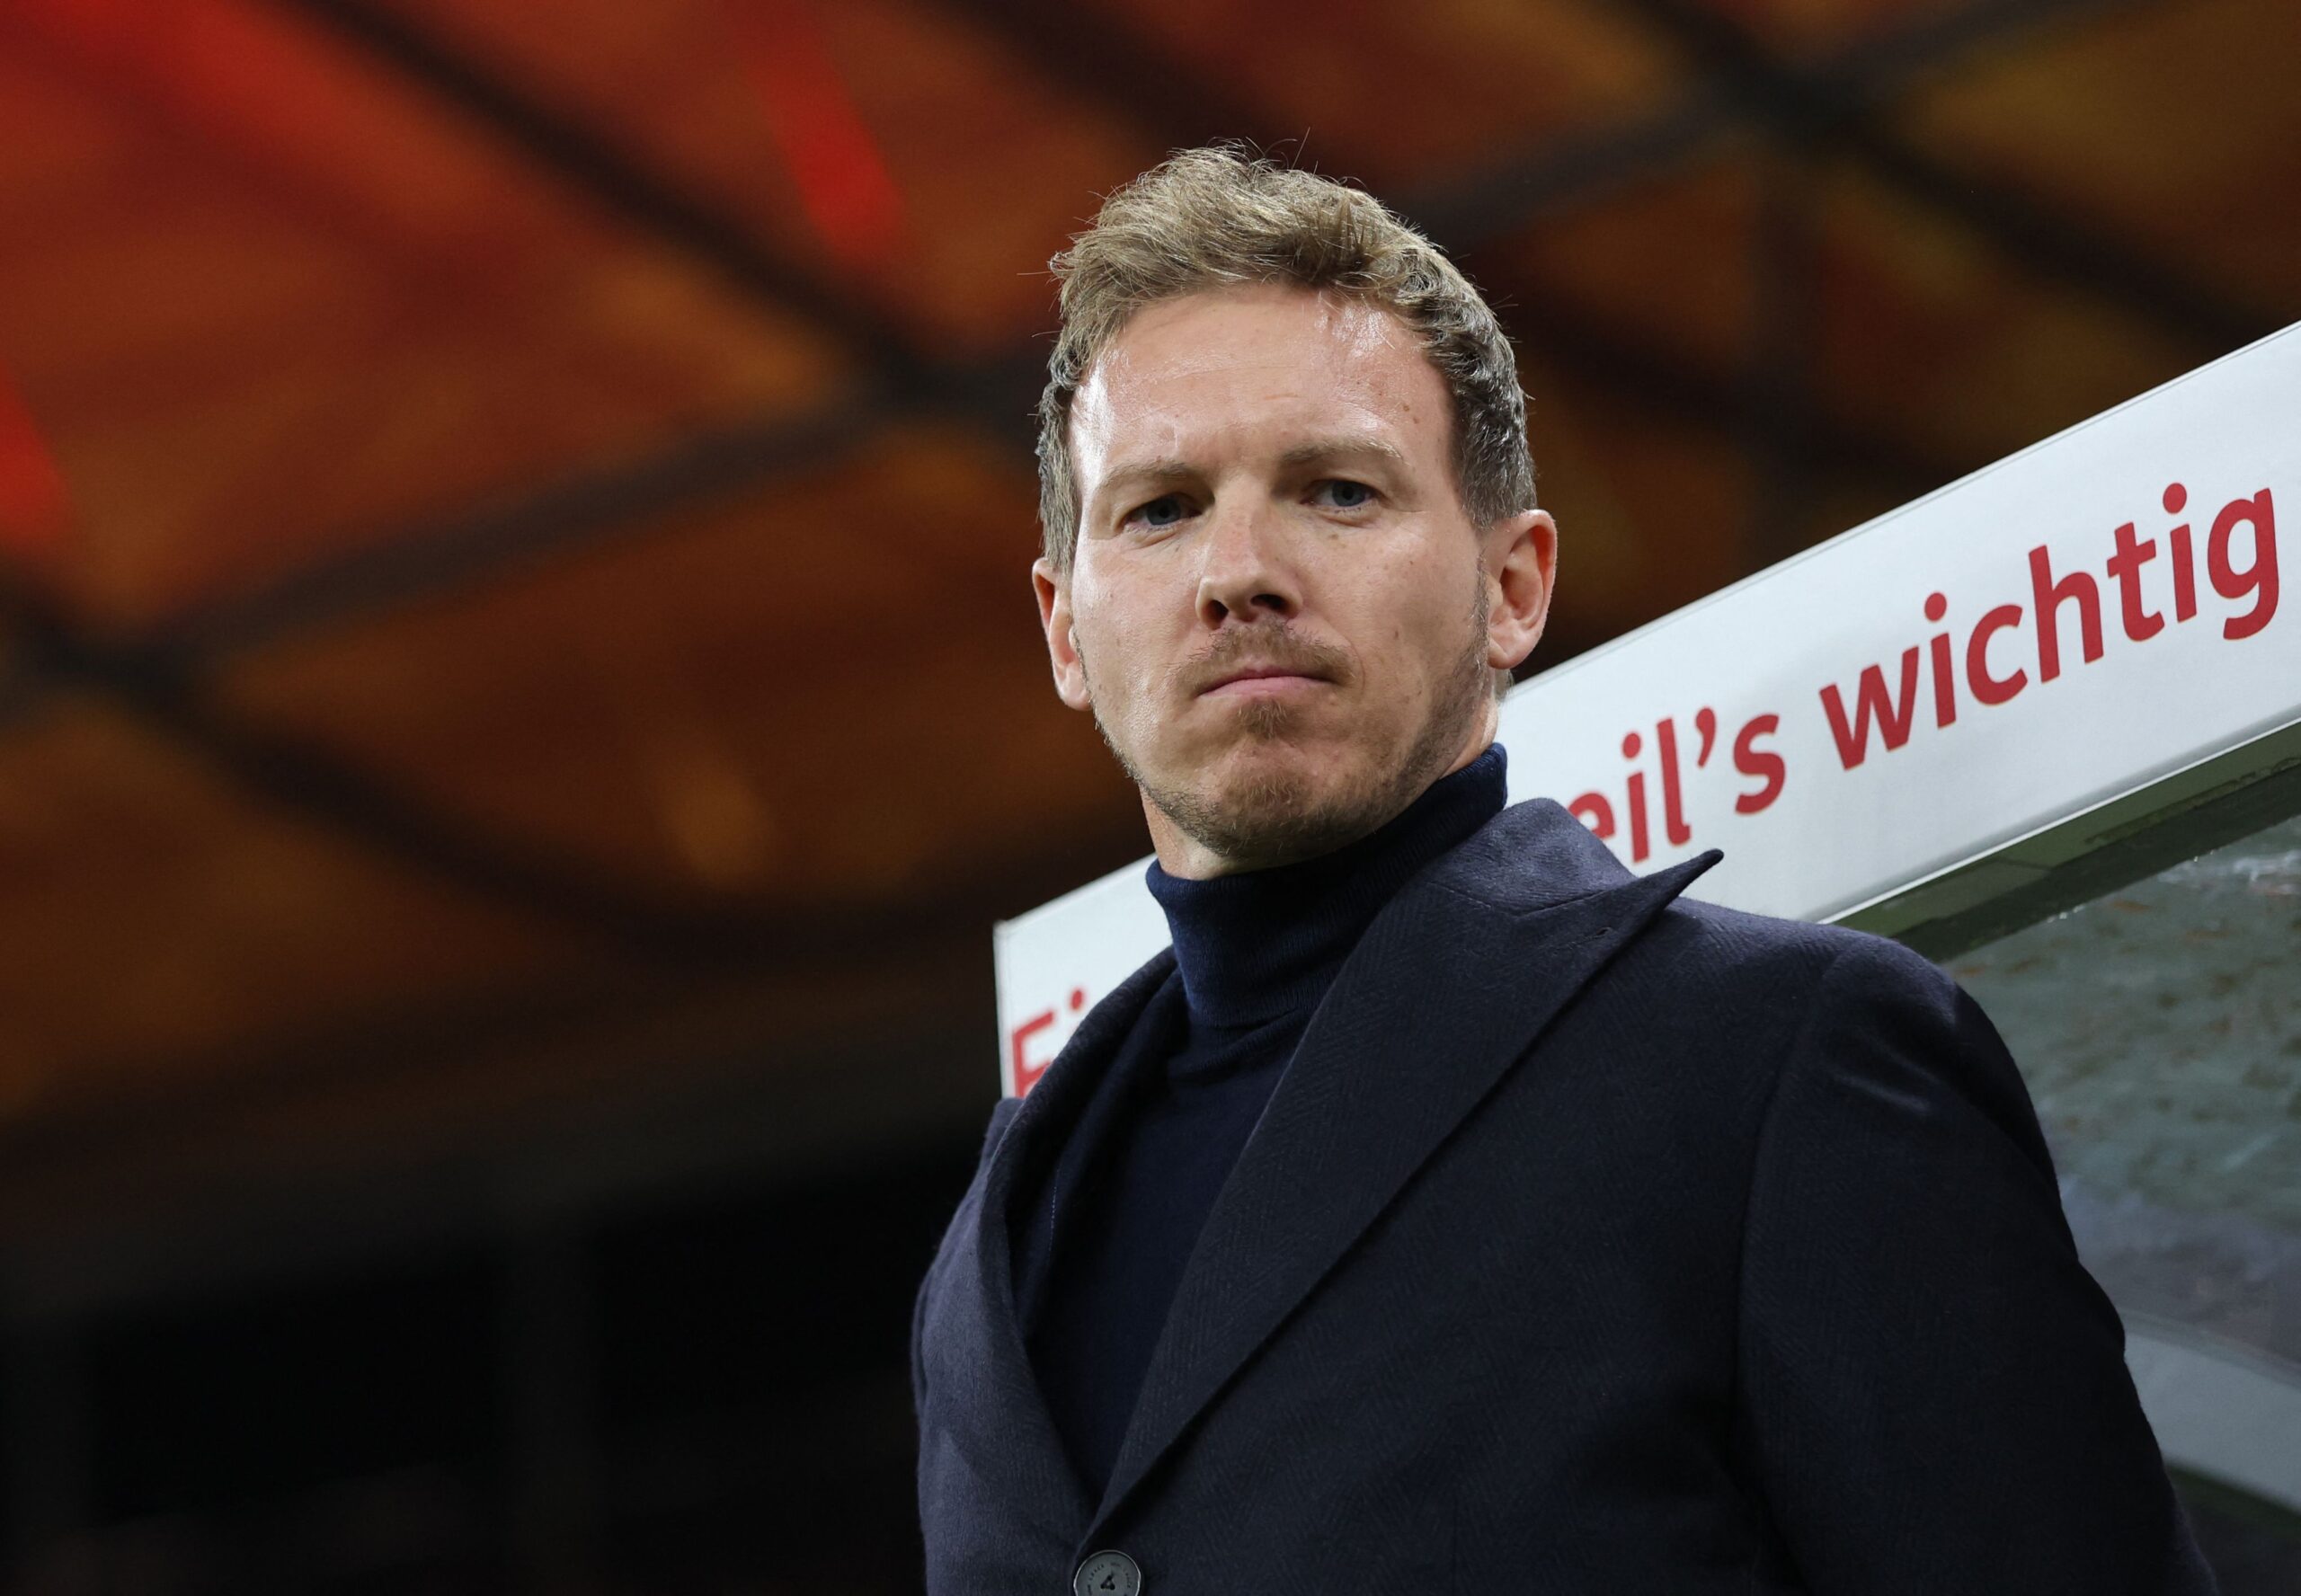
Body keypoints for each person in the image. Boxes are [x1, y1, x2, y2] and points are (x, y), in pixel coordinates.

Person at [910, 145, 2219, 1596]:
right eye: (1159, 509)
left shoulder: (1781, 1064)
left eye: (1336, 490)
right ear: (1064, 631)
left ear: (1514, 587)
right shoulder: (994, 1237)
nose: (1239, 571)